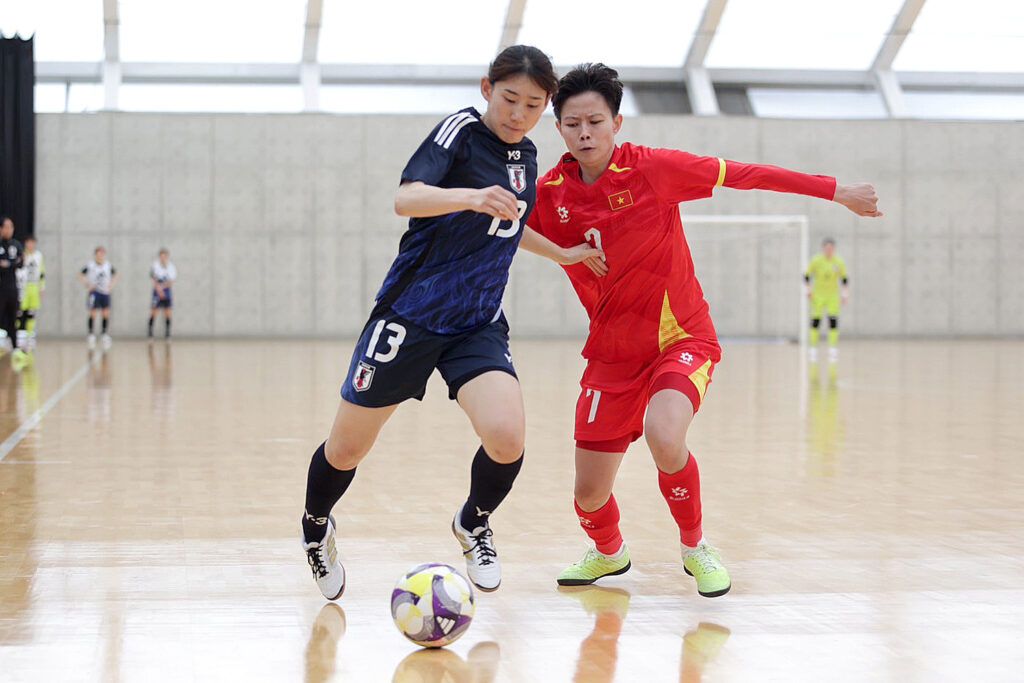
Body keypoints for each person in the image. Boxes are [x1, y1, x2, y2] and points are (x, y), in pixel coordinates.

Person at [521, 63, 881, 597]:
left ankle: (695, 547)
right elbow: (506, 230)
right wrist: (558, 250)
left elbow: (744, 173)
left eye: (596, 121)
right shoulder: (551, 193)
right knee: (589, 493)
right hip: (612, 354)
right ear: (559, 129)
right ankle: (608, 553)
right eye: (573, 124)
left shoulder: (653, 169)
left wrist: (836, 191)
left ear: (617, 122)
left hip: (680, 338)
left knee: (666, 437)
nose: (585, 133)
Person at [298, 45, 601, 601]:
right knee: (346, 450)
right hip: (410, 316)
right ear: (487, 89)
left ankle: (473, 522)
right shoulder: (459, 131)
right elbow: (405, 198)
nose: (519, 114)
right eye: (510, 99)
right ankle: (316, 527)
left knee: (507, 438)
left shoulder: (527, 156)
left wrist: (562, 253)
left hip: (476, 322)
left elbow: (509, 222)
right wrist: (470, 196)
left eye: (534, 105)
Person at [804, 237, 849, 362]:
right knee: (815, 322)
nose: (829, 250)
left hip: (833, 296)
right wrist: (808, 291)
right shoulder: (817, 260)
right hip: (817, 296)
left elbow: (845, 279)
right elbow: (807, 276)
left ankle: (832, 349)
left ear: (833, 249)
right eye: (827, 248)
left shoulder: (838, 262)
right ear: (823, 248)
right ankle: (813, 349)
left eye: (831, 248)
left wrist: (844, 295)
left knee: (833, 322)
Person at [78, 246, 118, 350]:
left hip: (105, 292)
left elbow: (116, 274)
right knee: (93, 312)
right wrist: (87, 285)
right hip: (94, 292)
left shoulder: (108, 265)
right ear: (95, 255)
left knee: (105, 313)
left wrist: (112, 285)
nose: (100, 255)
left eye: (102, 253)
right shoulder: (91, 265)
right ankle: (91, 334)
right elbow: (80, 275)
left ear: (104, 255)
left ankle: (104, 333)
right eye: (98, 254)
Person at [0, 217, 27, 366]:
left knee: (13, 317)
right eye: (6, 227)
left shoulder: (16, 245)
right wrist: (11, 263)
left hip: (12, 287)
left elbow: (21, 261)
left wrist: (8, 264)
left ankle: (16, 347)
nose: (9, 230)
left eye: (11, 227)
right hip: (1, 287)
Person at [17, 236, 45, 351]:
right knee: (21, 311)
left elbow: (42, 272)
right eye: (28, 243)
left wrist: (42, 287)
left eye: (32, 243)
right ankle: (19, 334)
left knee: (31, 311)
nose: (30, 245)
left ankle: (30, 334)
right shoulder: (22, 254)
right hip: (24, 286)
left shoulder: (38, 256)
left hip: (34, 286)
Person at [148, 248, 177, 339]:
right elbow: (154, 278)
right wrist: (159, 289)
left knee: (167, 311)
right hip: (157, 291)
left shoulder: (171, 267)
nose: (163, 258)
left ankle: (167, 333)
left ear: (167, 257)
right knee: (154, 311)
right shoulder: (155, 265)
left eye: (165, 256)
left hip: (167, 290)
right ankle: (150, 332)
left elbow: (171, 281)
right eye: (161, 256)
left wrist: (163, 288)